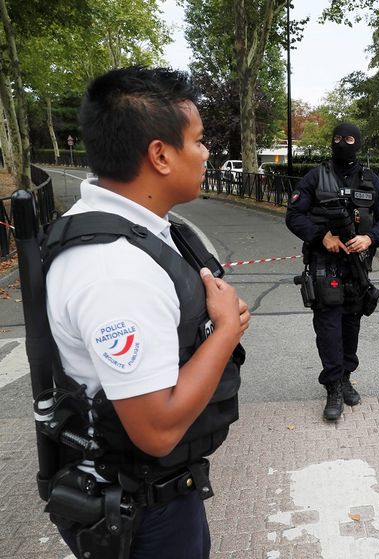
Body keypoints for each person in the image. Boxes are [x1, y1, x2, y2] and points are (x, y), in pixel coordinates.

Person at [43, 66, 249, 558]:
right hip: (141, 508)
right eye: (198, 142)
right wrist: (225, 329)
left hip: (151, 491)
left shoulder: (132, 230)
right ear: (160, 154)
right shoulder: (117, 270)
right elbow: (156, 430)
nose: (206, 154)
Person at [285, 123, 379, 421]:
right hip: (325, 264)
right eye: (338, 139)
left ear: (358, 143)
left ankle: (346, 375)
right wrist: (322, 236)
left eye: (349, 139)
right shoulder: (315, 177)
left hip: (357, 267)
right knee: (329, 327)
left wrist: (370, 238)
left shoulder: (371, 181)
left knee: (351, 325)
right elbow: (294, 215)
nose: (343, 144)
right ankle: (332, 385)